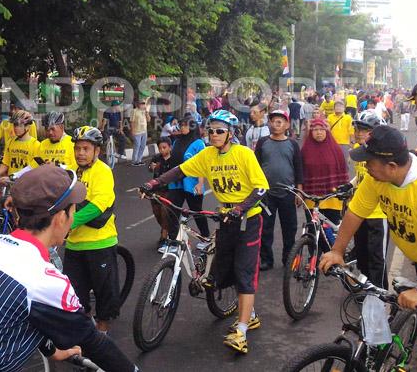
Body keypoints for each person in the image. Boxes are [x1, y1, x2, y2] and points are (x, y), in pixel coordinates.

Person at [0, 165, 138, 372]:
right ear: (60, 217)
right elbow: (93, 342)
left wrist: (52, 351)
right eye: (73, 210)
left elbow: (9, 312)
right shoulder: (46, 280)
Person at [320, 126, 417, 372]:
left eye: (369, 162)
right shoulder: (377, 179)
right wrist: (337, 251)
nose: (366, 167)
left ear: (391, 165)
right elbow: (355, 212)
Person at [142, 110, 269, 354]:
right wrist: (153, 184)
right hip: (225, 218)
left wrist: (240, 209)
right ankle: (248, 312)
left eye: (219, 131)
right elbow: (180, 170)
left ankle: (242, 331)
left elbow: (261, 188)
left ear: (231, 133)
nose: (214, 134)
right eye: (210, 130)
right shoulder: (208, 155)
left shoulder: (244, 154)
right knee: (225, 269)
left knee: (244, 272)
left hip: (247, 220)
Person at [65, 126, 120, 334]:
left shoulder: (103, 172)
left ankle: (102, 331)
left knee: (104, 293)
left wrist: (69, 223)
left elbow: (97, 206)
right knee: (74, 294)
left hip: (100, 243)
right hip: (74, 245)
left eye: (86, 148)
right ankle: (85, 329)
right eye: (78, 148)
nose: (80, 153)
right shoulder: (70, 170)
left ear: (97, 150)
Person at [254, 109, 302, 271]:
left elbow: (298, 168)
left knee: (290, 228)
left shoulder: (293, 144)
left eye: (280, 121)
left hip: (288, 193)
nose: (276, 124)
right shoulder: (262, 142)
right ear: (269, 123)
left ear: (287, 124)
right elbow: (256, 166)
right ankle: (266, 260)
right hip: (266, 194)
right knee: (265, 228)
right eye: (273, 121)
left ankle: (288, 259)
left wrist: (299, 190)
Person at [349, 110, 390, 289]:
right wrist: (350, 185)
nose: (359, 133)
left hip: (378, 215)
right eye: (358, 128)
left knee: (376, 259)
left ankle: (380, 296)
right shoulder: (359, 153)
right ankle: (366, 291)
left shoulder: (382, 156)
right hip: (360, 213)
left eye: (365, 130)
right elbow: (360, 177)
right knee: (362, 256)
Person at [162, 116, 210, 252]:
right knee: (173, 211)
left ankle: (205, 238)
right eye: (181, 125)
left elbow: (202, 165)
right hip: (176, 183)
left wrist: (200, 184)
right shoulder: (177, 141)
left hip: (192, 183)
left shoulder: (199, 143)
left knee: (196, 211)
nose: (181, 127)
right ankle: (173, 241)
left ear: (192, 127)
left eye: (185, 125)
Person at [301, 118, 349, 226]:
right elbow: (300, 173)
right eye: (315, 130)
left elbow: (342, 170)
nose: (319, 132)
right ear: (311, 132)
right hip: (312, 199)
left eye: (322, 129)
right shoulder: (305, 150)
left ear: (326, 131)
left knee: (330, 231)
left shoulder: (335, 149)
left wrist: (344, 192)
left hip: (332, 198)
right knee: (313, 230)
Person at [148, 138, 179, 250]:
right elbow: (150, 168)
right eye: (160, 148)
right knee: (157, 213)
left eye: (164, 147)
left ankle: (164, 237)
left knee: (165, 211)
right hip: (156, 190)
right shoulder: (157, 158)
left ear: (170, 147)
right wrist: (152, 167)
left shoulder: (175, 159)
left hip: (169, 189)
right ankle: (166, 230)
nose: (162, 150)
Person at [0, 110, 39, 178]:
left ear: (27, 127)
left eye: (19, 125)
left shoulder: (36, 145)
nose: (16, 128)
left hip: (28, 185)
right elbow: (5, 164)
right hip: (11, 185)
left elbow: (36, 169)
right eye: (15, 125)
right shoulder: (10, 142)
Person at [327, 101, 355, 167]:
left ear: (344, 108)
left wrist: (352, 144)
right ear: (334, 108)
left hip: (345, 144)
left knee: (344, 163)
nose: (338, 108)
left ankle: (345, 176)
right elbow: (327, 130)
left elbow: (351, 131)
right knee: (332, 162)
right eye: (337, 106)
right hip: (332, 143)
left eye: (340, 106)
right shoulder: (330, 117)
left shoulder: (348, 118)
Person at [130, 99, 150, 165]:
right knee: (137, 145)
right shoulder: (134, 111)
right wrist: (132, 130)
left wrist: (147, 113)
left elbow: (149, 120)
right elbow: (132, 121)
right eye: (142, 103)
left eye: (144, 104)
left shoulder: (144, 111)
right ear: (138, 104)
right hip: (136, 131)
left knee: (143, 145)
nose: (143, 105)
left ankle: (139, 160)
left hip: (144, 131)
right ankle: (134, 161)